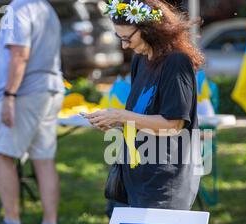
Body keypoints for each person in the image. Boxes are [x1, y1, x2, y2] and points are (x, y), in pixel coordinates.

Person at [86, 0, 204, 210]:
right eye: (119, 38)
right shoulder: (140, 61)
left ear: (150, 30)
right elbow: (142, 116)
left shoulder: (176, 63)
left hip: (165, 183)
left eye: (127, 38)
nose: (124, 45)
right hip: (135, 178)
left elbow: (173, 125)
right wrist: (114, 122)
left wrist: (121, 116)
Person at [0, 0, 65, 224]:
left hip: (25, 92)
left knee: (1, 155)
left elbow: (20, 54)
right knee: (44, 159)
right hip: (50, 89)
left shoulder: (17, 10)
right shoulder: (47, 8)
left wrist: (9, 95)